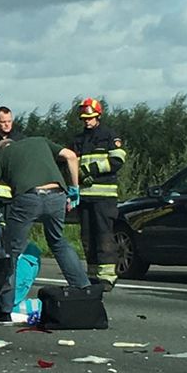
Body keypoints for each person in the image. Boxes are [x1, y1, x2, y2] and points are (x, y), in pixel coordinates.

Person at [0, 136, 90, 324]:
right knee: (57, 241)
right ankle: (84, 290)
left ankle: (4, 312)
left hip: (28, 199)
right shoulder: (40, 141)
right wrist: (74, 187)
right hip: (57, 195)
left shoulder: (0, 157)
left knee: (11, 252)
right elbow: (71, 156)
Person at [71, 97, 126, 290]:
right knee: (87, 237)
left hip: (104, 196)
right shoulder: (78, 139)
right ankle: (92, 274)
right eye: (84, 118)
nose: (87, 121)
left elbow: (117, 161)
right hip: (84, 196)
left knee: (104, 235)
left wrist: (90, 170)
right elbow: (69, 162)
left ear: (98, 116)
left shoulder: (109, 135)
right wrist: (77, 174)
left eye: (91, 117)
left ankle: (107, 277)